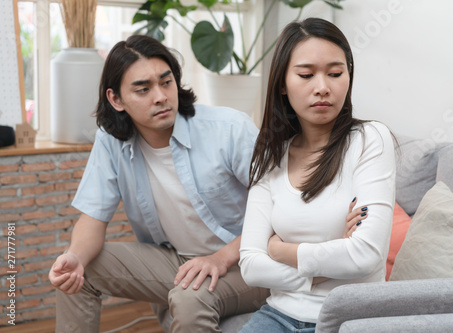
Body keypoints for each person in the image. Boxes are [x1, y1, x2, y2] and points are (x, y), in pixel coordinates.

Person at [48, 34, 268, 333]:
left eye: (166, 82)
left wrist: (221, 257)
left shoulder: (229, 129)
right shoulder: (111, 141)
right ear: (116, 99)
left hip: (248, 262)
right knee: (76, 269)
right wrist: (73, 256)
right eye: (143, 89)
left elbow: (281, 210)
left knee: (191, 299)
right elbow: (92, 219)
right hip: (178, 261)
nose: (161, 96)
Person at [238, 17, 396, 332]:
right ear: (282, 83)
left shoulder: (369, 140)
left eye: (335, 73)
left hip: (351, 316)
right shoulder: (271, 157)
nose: (323, 87)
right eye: (306, 75)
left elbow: (366, 255)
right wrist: (327, 264)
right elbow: (251, 267)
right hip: (278, 316)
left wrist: (281, 251)